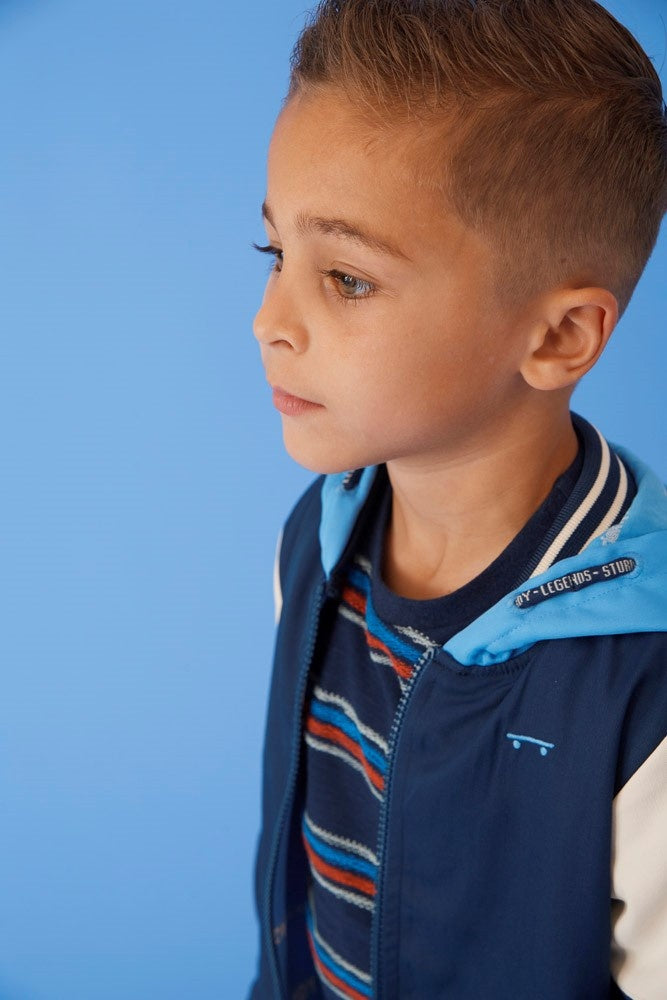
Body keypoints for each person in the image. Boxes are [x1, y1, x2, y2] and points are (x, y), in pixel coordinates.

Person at [249, 1, 667, 997]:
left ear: (558, 337)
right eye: (274, 255)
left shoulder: (641, 681)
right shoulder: (316, 543)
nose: (270, 320)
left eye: (346, 278)